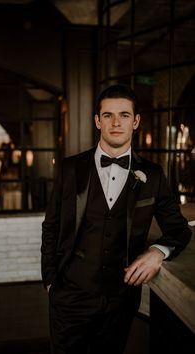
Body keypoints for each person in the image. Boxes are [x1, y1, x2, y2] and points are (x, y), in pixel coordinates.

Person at [41, 84, 192, 354]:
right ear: (97, 121)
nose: (115, 123)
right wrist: (51, 281)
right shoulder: (70, 168)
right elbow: (51, 226)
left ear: (135, 121)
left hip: (120, 302)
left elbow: (179, 230)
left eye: (124, 115)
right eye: (108, 115)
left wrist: (158, 251)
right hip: (70, 296)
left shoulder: (153, 175)